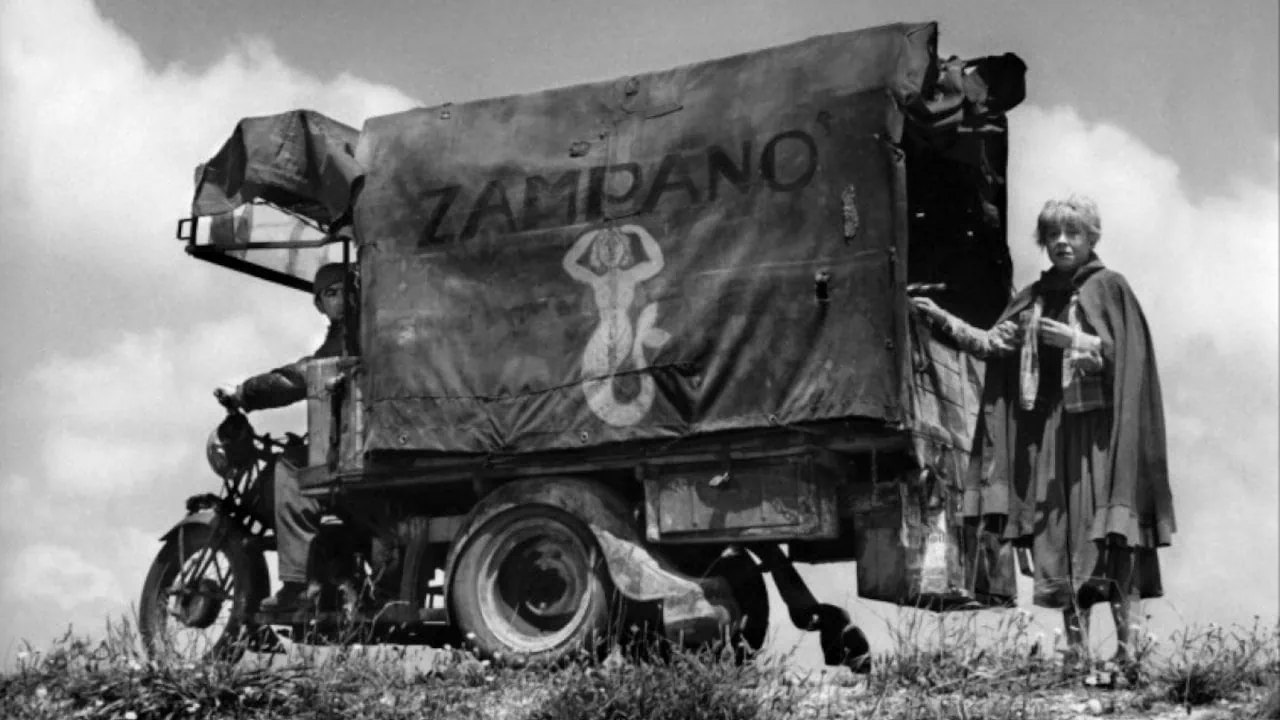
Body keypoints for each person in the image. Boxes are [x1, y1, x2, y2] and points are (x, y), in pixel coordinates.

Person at [910, 195, 1175, 670]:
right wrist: (937, 316)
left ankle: (1128, 654)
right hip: (1052, 435)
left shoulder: (1111, 288)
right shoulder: (1032, 297)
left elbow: (1130, 361)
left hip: (1102, 435)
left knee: (1111, 538)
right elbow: (992, 345)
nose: (1062, 242)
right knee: (1058, 535)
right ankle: (1074, 653)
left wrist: (1078, 341)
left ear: (1092, 237)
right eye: (1053, 234)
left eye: (1072, 233)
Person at [219, 261, 352, 612]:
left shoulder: (352, 332)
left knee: (291, 469)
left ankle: (295, 586)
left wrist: (246, 393)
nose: (342, 299)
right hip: (358, 440)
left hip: (357, 448)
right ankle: (332, 576)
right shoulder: (349, 332)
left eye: (346, 290)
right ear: (320, 304)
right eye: (332, 293)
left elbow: (302, 377)